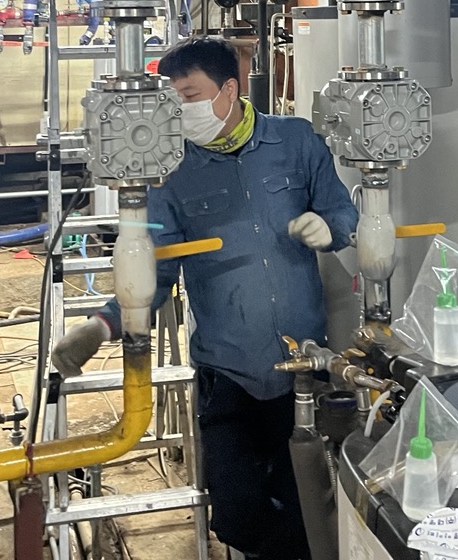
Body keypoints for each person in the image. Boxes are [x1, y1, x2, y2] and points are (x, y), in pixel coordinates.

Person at [51, 37, 357, 560]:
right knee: (237, 513)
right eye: (173, 100)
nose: (182, 111)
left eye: (190, 96)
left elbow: (344, 212)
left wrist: (330, 228)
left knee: (308, 502)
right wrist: (103, 325)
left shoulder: (296, 141)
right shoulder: (172, 170)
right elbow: (157, 267)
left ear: (229, 89)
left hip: (305, 367)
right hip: (228, 370)